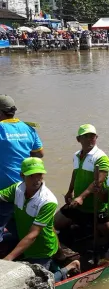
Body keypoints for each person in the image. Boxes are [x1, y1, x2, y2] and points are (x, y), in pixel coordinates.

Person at [0, 157, 80, 280]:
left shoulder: (48, 200)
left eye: (39, 175)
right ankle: (55, 261)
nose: (36, 180)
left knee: (39, 283)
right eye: (31, 176)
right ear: (22, 176)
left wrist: (7, 260)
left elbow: (33, 235)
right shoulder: (17, 189)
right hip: (23, 238)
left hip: (40, 248)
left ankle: (69, 267)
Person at [0, 95, 44, 243]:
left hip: (4, 190)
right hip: (25, 187)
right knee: (20, 224)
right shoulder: (28, 128)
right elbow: (39, 153)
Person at [54, 125, 109, 235]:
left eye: (92, 136)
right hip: (78, 204)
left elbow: (98, 181)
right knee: (56, 223)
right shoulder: (76, 155)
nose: (90, 139)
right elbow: (75, 173)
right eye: (86, 136)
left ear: (96, 138)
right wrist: (70, 191)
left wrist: (81, 197)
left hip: (96, 206)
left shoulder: (101, 157)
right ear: (78, 139)